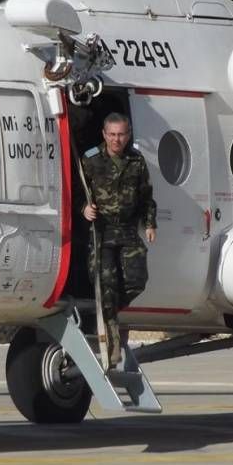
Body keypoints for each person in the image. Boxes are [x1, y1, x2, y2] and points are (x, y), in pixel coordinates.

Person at [82, 112, 157, 369]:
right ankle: (111, 336)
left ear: (128, 135)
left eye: (121, 135)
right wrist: (85, 209)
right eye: (112, 135)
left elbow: (147, 196)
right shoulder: (90, 160)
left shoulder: (136, 161)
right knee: (106, 283)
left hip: (126, 230)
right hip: (101, 232)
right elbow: (77, 193)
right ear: (104, 134)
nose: (117, 140)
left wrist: (149, 223)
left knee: (137, 280)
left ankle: (109, 311)